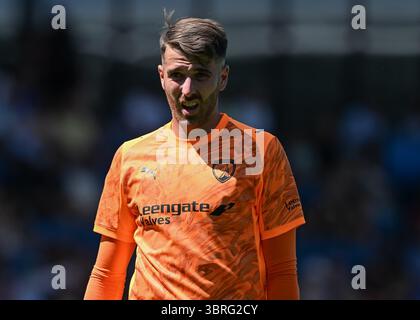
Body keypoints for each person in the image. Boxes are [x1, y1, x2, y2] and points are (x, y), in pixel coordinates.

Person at [84, 12, 305, 300]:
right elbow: (107, 273)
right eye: (177, 75)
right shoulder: (130, 156)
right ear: (162, 77)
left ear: (222, 77)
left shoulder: (260, 150)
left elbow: (282, 271)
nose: (187, 90)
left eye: (201, 75)